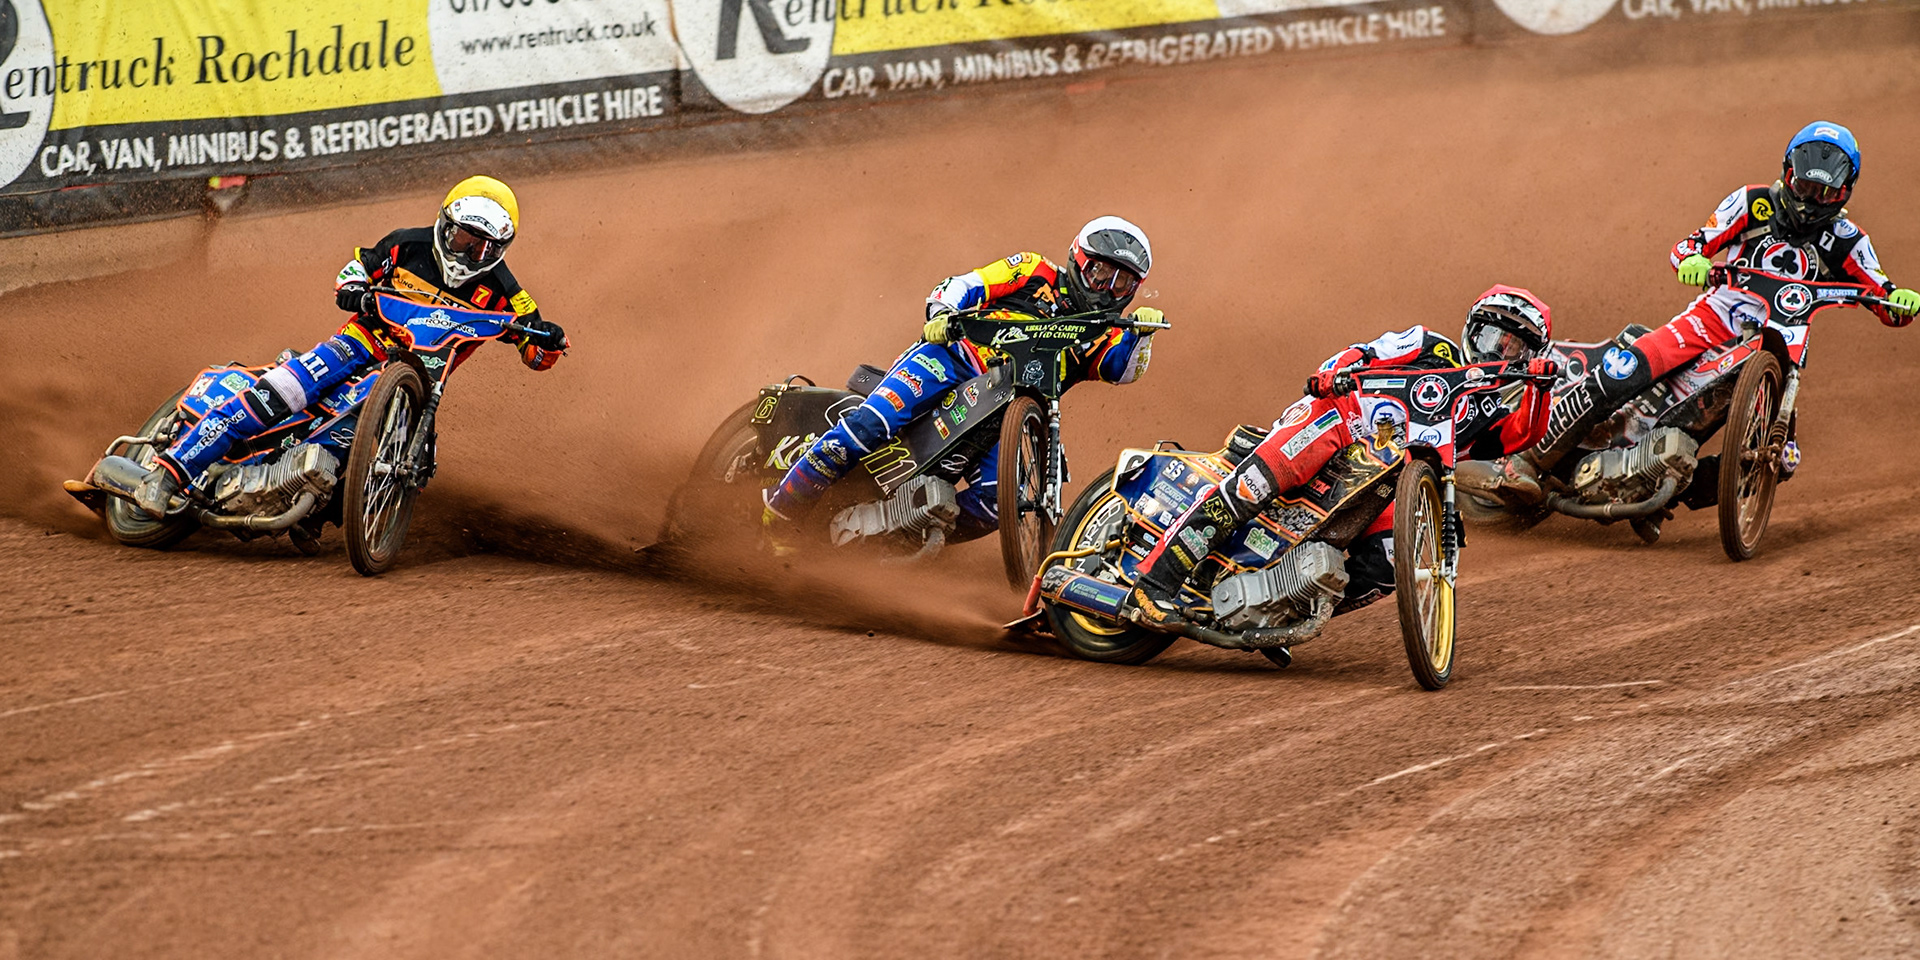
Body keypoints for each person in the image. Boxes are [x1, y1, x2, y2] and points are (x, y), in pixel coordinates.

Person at [1476, 121, 1919, 503]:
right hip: (1711, 317)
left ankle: (1663, 486)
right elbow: (1691, 244)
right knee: (1623, 369)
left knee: (1772, 457)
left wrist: (1900, 302)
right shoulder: (1752, 202)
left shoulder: (1848, 240)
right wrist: (1693, 260)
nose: (1810, 200)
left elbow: (1882, 292)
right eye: (1804, 186)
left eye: (1824, 192)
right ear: (1787, 173)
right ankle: (1525, 463)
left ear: (1845, 192)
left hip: (1778, 344)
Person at [133, 176, 569, 518]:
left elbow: (535, 350)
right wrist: (356, 291)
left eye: (485, 246)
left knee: (377, 448)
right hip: (357, 345)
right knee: (281, 393)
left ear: (501, 248)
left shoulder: (507, 292)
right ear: (445, 226)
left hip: (417, 378)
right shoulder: (405, 243)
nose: (471, 251)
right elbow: (353, 271)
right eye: (464, 238)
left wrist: (550, 340)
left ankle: (316, 508)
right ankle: (168, 476)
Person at [1129, 286, 1558, 629]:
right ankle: (1154, 583)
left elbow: (1524, 434)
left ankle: (1286, 610)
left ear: (1531, 358)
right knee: (1253, 486)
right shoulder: (1431, 345)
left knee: (1389, 563)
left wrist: (1542, 387)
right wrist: (1333, 373)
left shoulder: (1490, 413)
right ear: (1470, 331)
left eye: (1514, 350)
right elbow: (1369, 351)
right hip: (1337, 420)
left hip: (1388, 483)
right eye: (1490, 339)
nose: (1498, 355)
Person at [761, 216, 1165, 543]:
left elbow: (1120, 370)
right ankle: (777, 519)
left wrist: (1140, 337)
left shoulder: (1108, 330)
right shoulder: (1033, 270)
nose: (1107, 289)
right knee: (868, 427)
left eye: (1122, 282)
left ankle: (891, 533)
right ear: (1079, 260)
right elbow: (965, 285)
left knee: (997, 503)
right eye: (1099, 273)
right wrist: (941, 315)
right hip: (949, 361)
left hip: (1008, 412)